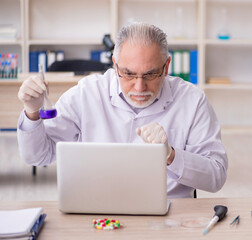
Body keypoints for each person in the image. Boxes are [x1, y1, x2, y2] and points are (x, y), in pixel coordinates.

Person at [17, 22, 228, 198]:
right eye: (128, 74)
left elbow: (216, 176)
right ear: (115, 65)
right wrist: (32, 112)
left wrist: (171, 155)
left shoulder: (192, 100)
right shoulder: (87, 94)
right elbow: (37, 156)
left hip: (171, 214)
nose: (139, 87)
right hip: (97, 209)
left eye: (151, 75)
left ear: (166, 66)